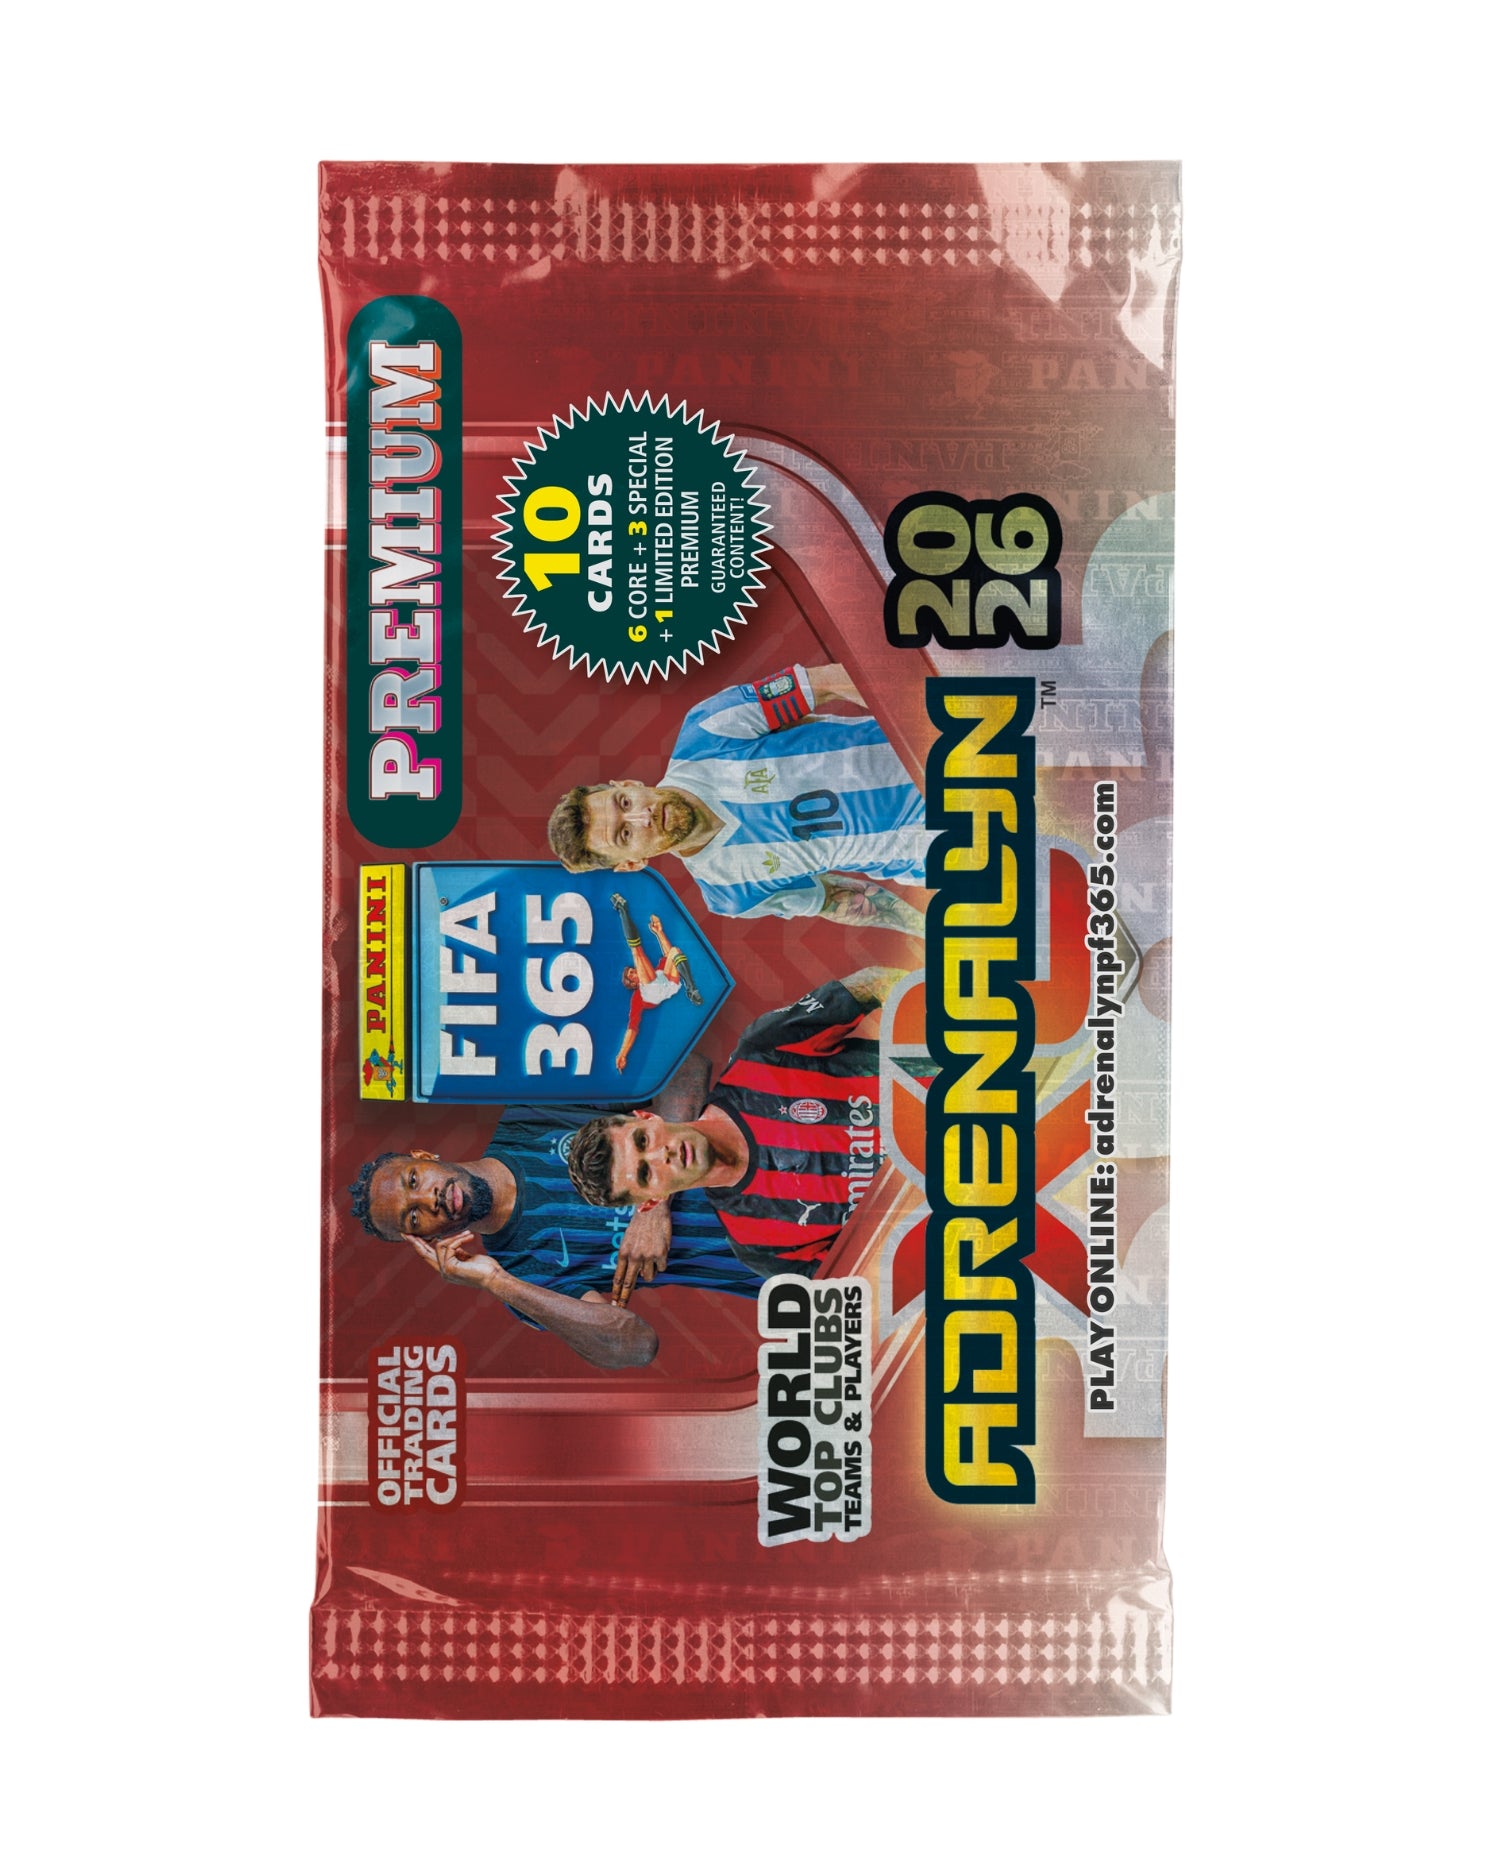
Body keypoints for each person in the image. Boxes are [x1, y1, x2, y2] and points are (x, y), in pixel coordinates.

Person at [346, 1062, 766, 1371]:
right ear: (425, 1240)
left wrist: (656, 1204)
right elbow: (635, 1345)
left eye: (414, 1180)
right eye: (413, 1218)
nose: (429, 1199)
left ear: (425, 1157)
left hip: (777, 1153)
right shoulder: (519, 1275)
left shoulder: (535, 1109)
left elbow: (684, 1065)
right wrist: (496, 1282)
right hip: (784, 1265)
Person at [567, 965, 901, 1275]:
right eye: (645, 1173)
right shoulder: (760, 1246)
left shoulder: (760, 1052)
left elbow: (872, 985)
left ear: (647, 1117)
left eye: (642, 1141)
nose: (660, 1154)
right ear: (652, 1201)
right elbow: (869, 1285)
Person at [546, 662, 927, 934]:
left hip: (943, 748)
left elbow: (832, 681)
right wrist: (925, 931)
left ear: (628, 784)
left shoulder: (707, 729)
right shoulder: (729, 893)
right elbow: (842, 899)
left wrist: (928, 715)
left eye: (624, 803)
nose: (642, 817)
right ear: (632, 863)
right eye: (625, 834)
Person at [610, 891, 701, 1074]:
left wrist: (659, 932)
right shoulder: (638, 997)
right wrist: (623, 1053)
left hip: (668, 984)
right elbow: (632, 1027)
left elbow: (669, 955)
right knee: (636, 952)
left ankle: (691, 989)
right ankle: (623, 910)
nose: (634, 972)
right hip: (652, 992)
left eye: (632, 970)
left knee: (675, 951)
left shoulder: (657, 970)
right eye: (631, 975)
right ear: (633, 984)